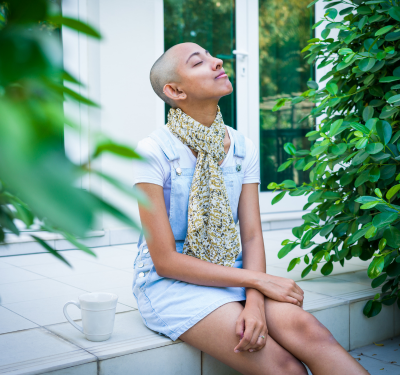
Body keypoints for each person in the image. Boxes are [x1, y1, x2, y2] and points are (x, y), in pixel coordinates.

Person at [132, 42, 367, 375]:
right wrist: (260, 282)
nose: (216, 62)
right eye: (198, 62)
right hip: (170, 282)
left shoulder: (241, 146)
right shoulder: (153, 150)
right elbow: (166, 261)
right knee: (285, 367)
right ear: (174, 90)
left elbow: (252, 236)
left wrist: (255, 300)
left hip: (233, 267)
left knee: (311, 332)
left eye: (212, 56)